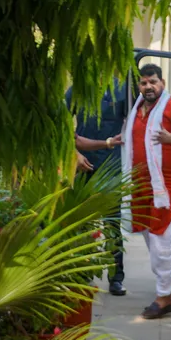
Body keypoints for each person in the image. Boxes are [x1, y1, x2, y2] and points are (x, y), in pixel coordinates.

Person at [120, 64, 171, 319]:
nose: (148, 87)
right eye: (143, 83)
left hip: (167, 189)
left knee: (163, 246)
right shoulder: (138, 110)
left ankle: (163, 299)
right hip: (141, 187)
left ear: (162, 83)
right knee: (156, 244)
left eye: (152, 82)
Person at [66, 78, 128, 296]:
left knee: (112, 223)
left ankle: (116, 277)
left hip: (110, 167)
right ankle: (82, 275)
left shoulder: (121, 89)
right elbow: (62, 125)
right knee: (81, 223)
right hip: (83, 166)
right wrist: (75, 155)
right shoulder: (78, 90)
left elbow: (136, 121)